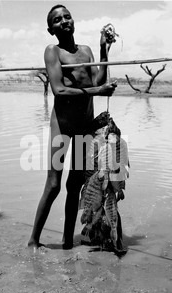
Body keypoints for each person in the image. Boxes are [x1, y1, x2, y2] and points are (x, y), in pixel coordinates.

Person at [28, 5, 117, 250]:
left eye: (67, 17)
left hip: (83, 127)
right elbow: (59, 90)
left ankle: (68, 241)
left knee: (74, 185)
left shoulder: (86, 51)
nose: (64, 21)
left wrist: (103, 49)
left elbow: (97, 81)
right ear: (50, 29)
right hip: (62, 125)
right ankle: (33, 240)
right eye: (57, 20)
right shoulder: (52, 51)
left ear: (73, 21)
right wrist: (98, 91)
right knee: (54, 184)